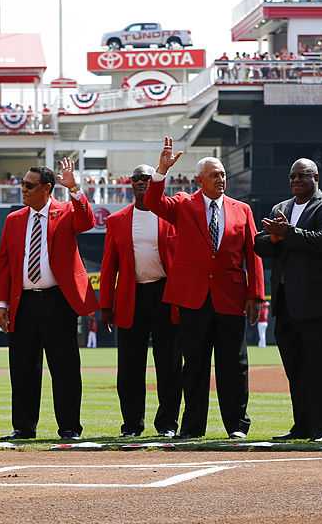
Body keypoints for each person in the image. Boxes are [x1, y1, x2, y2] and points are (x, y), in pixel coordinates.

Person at [146, 137, 265, 439]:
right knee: (195, 366)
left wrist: (256, 295)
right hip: (193, 299)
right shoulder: (183, 205)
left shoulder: (242, 210)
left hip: (230, 298)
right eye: (214, 175)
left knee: (233, 366)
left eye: (223, 174)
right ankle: (193, 427)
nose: (221, 179)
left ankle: (237, 426)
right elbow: (153, 203)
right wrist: (161, 170)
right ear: (200, 180)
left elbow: (253, 255)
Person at [0, 159, 98, 440]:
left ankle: (69, 427)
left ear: (47, 188)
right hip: (24, 302)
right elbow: (4, 266)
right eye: (22, 184)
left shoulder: (65, 212)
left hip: (58, 301)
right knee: (23, 368)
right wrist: (1, 304)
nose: (23, 190)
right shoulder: (15, 220)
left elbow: (87, 221)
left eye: (29, 185)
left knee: (64, 367)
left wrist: (74, 188)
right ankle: (23, 427)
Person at [254, 159, 322, 443]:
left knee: (321, 366)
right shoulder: (280, 209)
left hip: (318, 301)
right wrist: (275, 238)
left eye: (302, 176)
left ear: (315, 177)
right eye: (292, 176)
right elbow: (259, 244)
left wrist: (287, 234)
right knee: (295, 367)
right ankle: (302, 425)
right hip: (285, 302)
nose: (295, 180)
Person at [100, 164, 181, 438]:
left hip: (166, 295)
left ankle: (167, 424)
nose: (142, 182)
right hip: (131, 296)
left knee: (169, 364)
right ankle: (132, 425)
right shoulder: (117, 220)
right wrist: (105, 306)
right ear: (130, 184)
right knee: (129, 366)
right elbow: (108, 266)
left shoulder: (171, 216)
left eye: (147, 178)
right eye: (136, 178)